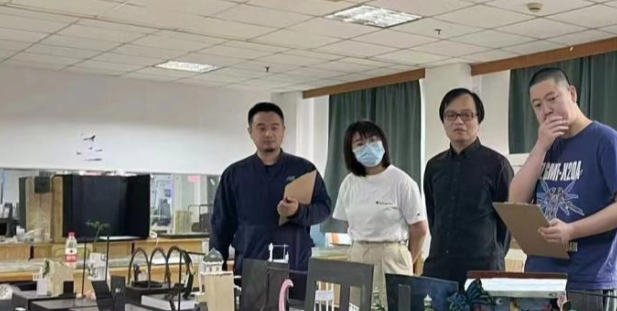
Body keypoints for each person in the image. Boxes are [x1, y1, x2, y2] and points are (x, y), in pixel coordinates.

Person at [509, 68, 617, 311]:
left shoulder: (606, 141)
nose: (546, 110)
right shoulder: (546, 146)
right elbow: (516, 200)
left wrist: (572, 230)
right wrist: (541, 146)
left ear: (572, 94)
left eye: (552, 99)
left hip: (587, 278)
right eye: (537, 105)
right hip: (540, 276)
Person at [210, 102, 331, 292]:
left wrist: (298, 211)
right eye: (261, 128)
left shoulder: (303, 169)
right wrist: (217, 269)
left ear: (283, 131)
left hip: (296, 268)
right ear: (250, 132)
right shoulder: (235, 174)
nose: (268, 134)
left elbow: (324, 209)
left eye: (275, 127)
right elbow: (221, 226)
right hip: (251, 269)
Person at [423, 88, 514, 288]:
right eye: (451, 115)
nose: (458, 121)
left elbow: (506, 226)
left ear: (478, 120)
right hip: (438, 272)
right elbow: (434, 219)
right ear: (443, 121)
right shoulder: (433, 167)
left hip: (482, 274)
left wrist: (493, 257)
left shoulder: (497, 165)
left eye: (466, 115)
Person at [332, 120, 428, 298]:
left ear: (383, 142)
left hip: (391, 256)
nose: (368, 147)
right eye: (360, 143)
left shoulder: (401, 181)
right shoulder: (349, 183)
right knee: (356, 310)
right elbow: (348, 222)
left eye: (373, 140)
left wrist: (405, 259)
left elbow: (420, 229)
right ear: (351, 151)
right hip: (357, 254)